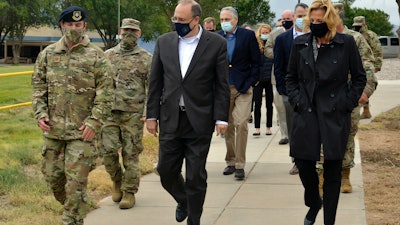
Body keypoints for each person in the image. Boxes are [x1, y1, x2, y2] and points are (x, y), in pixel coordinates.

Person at [145, 0, 230, 224]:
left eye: (181, 20)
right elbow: (155, 82)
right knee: (166, 171)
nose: (177, 23)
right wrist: (151, 115)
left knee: (195, 176)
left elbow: (221, 84)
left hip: (199, 119)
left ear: (195, 20)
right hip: (170, 117)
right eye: (175, 19)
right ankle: (183, 200)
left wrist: (222, 118)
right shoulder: (164, 42)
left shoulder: (216, 43)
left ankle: (194, 220)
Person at [285, 0, 367, 224]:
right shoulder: (301, 43)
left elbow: (360, 77)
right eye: (312, 20)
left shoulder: (346, 43)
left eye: (320, 20)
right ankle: (313, 202)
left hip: (334, 112)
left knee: (332, 169)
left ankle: (329, 220)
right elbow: (290, 77)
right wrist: (297, 100)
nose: (316, 24)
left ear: (330, 21)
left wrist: (346, 103)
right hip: (306, 110)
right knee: (303, 163)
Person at [32, 6, 114, 225]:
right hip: (54, 131)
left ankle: (72, 217)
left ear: (84, 26)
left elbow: (106, 93)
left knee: (75, 184)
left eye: (78, 25)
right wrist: (40, 113)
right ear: (62, 26)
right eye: (70, 25)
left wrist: (94, 121)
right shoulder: (48, 54)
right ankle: (78, 203)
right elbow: (38, 86)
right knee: (53, 179)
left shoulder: (97, 56)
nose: (74, 29)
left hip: (82, 133)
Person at [315, 3, 378, 195]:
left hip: (348, 97)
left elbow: (368, 67)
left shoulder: (355, 39)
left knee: (348, 136)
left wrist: (364, 93)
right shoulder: (318, 39)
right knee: (318, 136)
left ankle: (345, 174)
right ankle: (320, 176)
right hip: (322, 98)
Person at [99, 18, 152, 209]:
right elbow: (99, 85)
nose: (129, 34)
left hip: (133, 114)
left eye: (133, 31)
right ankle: (117, 181)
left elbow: (151, 88)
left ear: (139, 33)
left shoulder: (146, 58)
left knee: (131, 154)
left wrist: (148, 113)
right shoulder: (107, 56)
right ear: (120, 31)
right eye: (126, 30)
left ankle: (129, 191)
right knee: (107, 151)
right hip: (109, 113)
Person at [217, 6, 260, 180]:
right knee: (226, 126)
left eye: (227, 19)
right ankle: (231, 161)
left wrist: (251, 82)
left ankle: (240, 165)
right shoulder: (216, 37)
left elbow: (257, 61)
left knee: (241, 123)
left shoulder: (247, 36)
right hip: (223, 88)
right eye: (222, 20)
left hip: (243, 87)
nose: (224, 23)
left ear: (235, 19)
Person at [273, 3, 308, 175]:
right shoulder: (282, 39)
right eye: (298, 15)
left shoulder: (316, 37)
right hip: (290, 91)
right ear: (293, 17)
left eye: (304, 15)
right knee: (294, 127)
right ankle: (296, 160)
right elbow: (278, 66)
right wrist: (283, 89)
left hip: (312, 90)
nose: (301, 19)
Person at [352, 15, 383, 119]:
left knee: (365, 87)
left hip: (367, 65)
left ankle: (365, 110)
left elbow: (377, 50)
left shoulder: (370, 35)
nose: (357, 28)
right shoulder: (353, 35)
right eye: (356, 26)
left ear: (364, 24)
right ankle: (364, 110)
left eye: (359, 26)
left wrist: (377, 65)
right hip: (356, 66)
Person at [264, 14, 287, 145]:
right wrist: (279, 55)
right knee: (280, 107)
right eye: (284, 19)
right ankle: (284, 134)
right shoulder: (274, 34)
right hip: (278, 76)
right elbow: (267, 49)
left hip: (297, 75)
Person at [252, 24, 274, 136]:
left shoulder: (272, 47)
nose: (264, 35)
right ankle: (257, 128)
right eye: (263, 33)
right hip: (258, 79)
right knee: (258, 104)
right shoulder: (256, 46)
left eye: (267, 33)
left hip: (270, 79)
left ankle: (268, 127)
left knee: (269, 104)